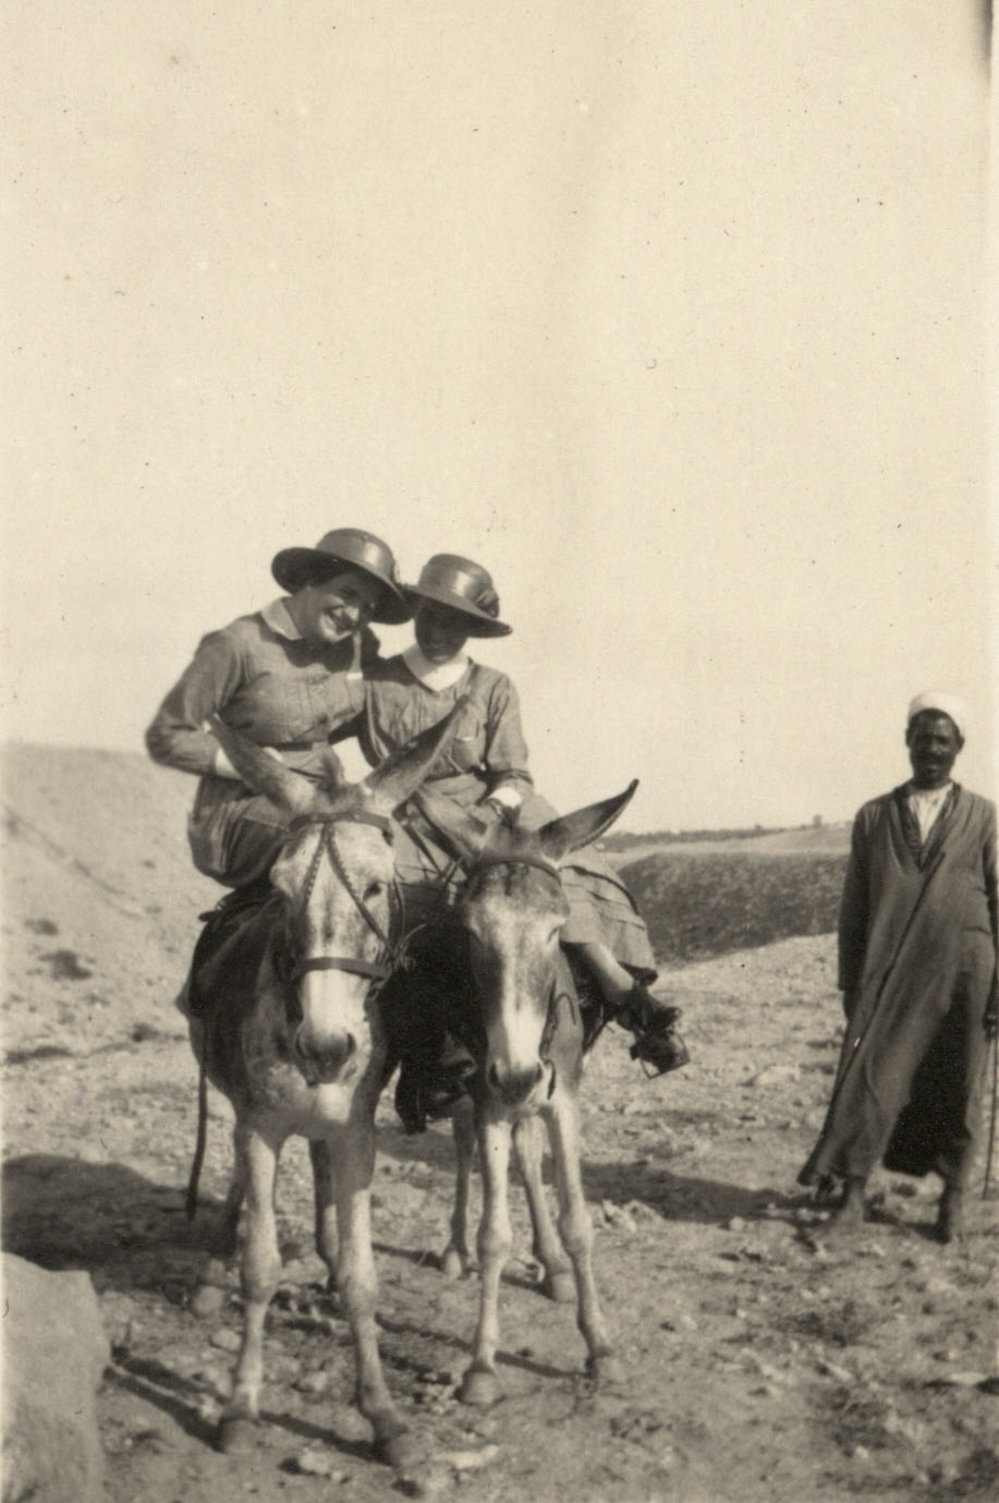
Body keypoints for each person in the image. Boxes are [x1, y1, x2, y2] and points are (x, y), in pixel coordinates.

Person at [344, 553, 686, 1129]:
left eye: (453, 620)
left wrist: (491, 812)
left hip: (488, 811)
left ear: (473, 628)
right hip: (407, 813)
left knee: (558, 873)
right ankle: (424, 1053)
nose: (436, 629)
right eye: (428, 614)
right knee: (407, 904)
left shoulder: (492, 687)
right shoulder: (376, 683)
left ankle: (620, 989)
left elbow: (513, 773)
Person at [145, 527, 410, 998]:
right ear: (308, 581)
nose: (355, 615)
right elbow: (166, 736)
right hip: (241, 808)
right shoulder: (236, 645)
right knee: (329, 852)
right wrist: (244, 764)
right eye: (346, 594)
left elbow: (351, 710)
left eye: (368, 607)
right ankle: (227, 995)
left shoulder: (355, 646)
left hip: (326, 801)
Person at [799, 691, 997, 1243]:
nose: (931, 749)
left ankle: (951, 1203)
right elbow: (854, 909)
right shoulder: (874, 817)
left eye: (943, 740)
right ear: (906, 742)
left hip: (966, 974)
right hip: (890, 974)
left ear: (959, 747)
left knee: (960, 1087)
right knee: (870, 1082)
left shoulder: (984, 816)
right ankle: (853, 1197)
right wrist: (848, 980)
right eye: (922, 738)